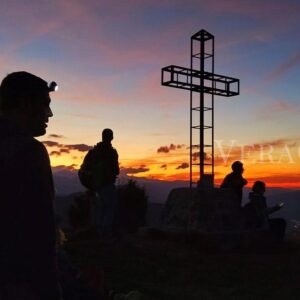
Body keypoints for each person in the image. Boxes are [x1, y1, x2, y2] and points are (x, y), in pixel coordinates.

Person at [0, 72, 61, 299]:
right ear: (26, 103)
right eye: (45, 104)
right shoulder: (28, 151)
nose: (50, 113)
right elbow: (40, 234)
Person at [92, 128, 120, 239]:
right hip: (108, 184)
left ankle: (98, 231)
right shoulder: (112, 152)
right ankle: (105, 233)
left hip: (96, 184)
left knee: (100, 208)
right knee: (110, 207)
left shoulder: (95, 151)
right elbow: (116, 170)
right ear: (111, 137)